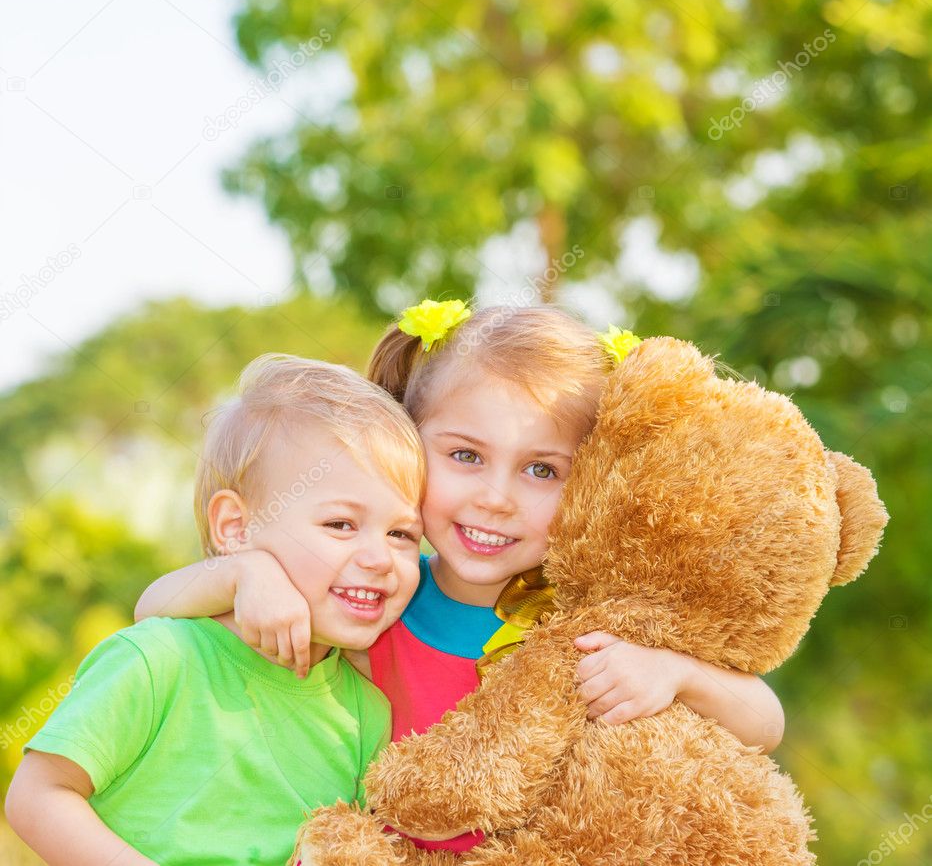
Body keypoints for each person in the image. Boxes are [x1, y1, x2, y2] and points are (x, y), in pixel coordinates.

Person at [134, 301, 786, 853]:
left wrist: (675, 673)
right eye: (466, 455)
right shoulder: (374, 597)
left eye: (542, 470)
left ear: (590, 481)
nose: (495, 497)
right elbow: (152, 611)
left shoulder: (598, 619)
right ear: (410, 446)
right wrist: (245, 572)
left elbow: (764, 719)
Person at [5, 354, 426, 866]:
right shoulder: (159, 660)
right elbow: (36, 796)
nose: (380, 558)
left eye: (402, 533)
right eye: (340, 524)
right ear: (234, 528)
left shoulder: (365, 711)